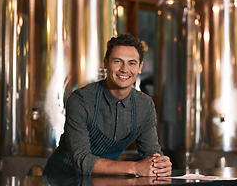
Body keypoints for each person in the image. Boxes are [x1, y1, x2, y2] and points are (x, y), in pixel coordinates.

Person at [43, 34, 172, 177]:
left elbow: (151, 153)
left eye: (132, 63)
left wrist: (160, 165)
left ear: (140, 67)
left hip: (102, 180)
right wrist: (134, 167)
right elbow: (81, 160)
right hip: (60, 178)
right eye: (118, 61)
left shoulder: (145, 105)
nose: (124, 69)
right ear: (106, 63)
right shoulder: (80, 100)